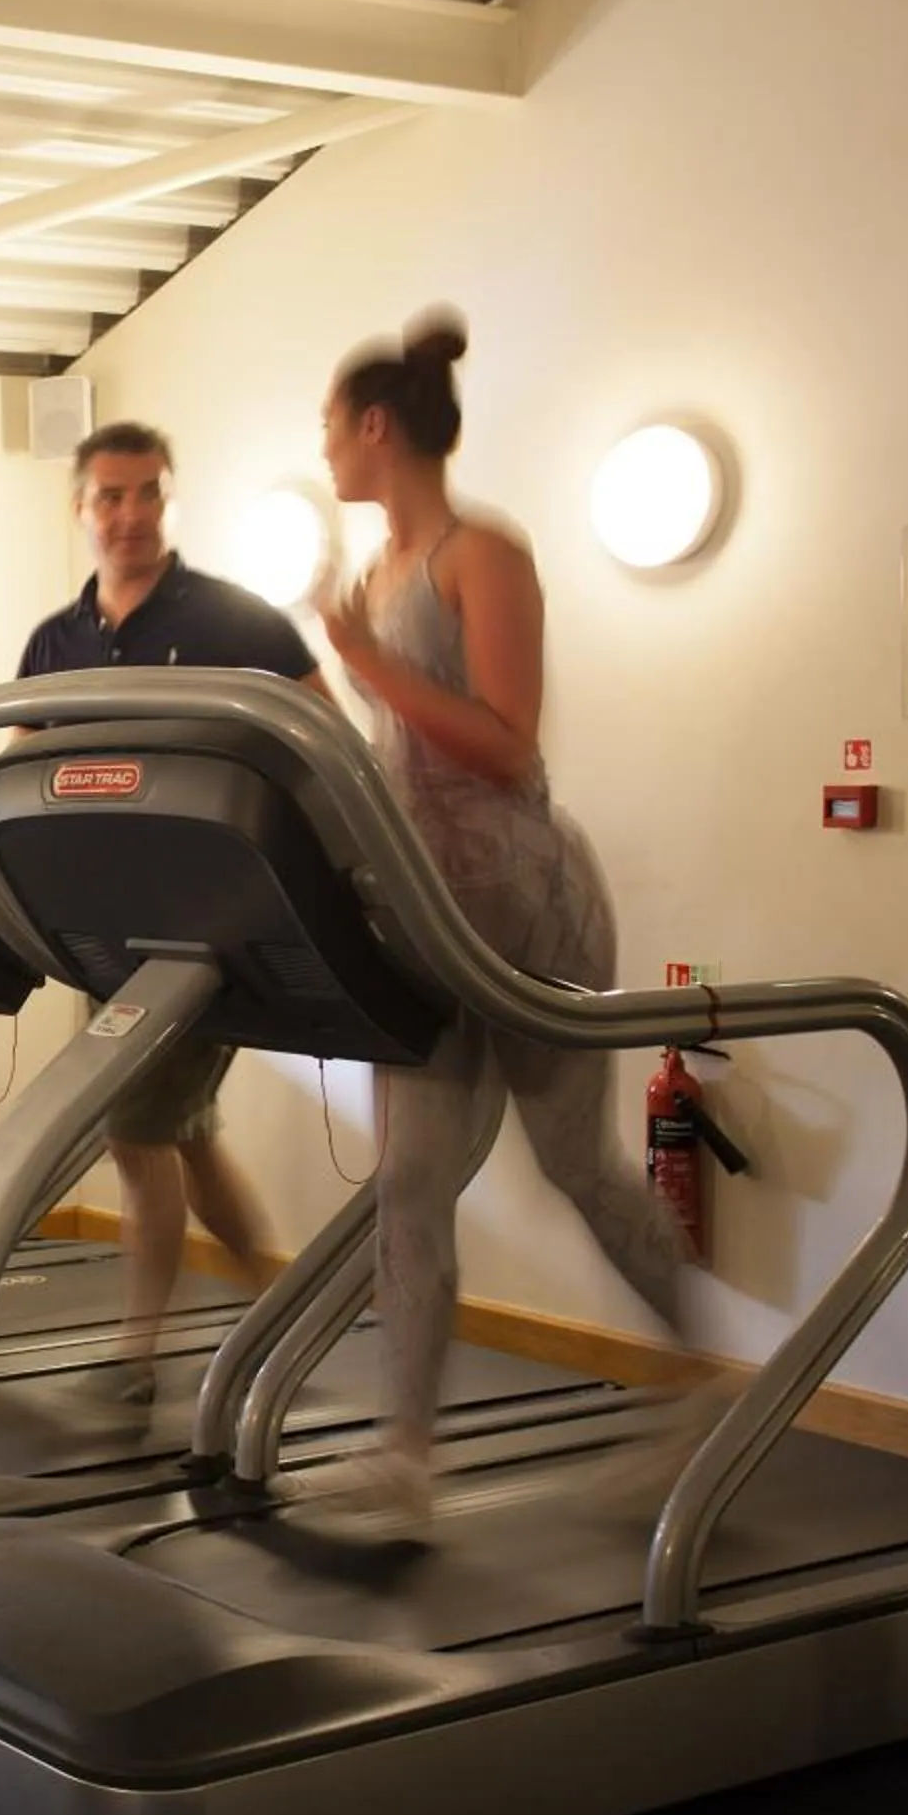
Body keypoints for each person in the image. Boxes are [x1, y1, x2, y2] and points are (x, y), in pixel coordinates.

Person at [310, 314, 701, 1537]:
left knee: (577, 1161)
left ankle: (700, 1377)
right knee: (410, 1183)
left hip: (528, 901)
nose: (325, 449)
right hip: (428, 908)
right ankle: (405, 1461)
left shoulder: (483, 554)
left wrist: (367, 662)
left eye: (332, 428)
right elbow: (397, 748)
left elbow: (506, 741)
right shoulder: (376, 575)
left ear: (378, 427)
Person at [17, 423, 324, 1419]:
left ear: (170, 500)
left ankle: (136, 1355)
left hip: (207, 924)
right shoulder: (56, 641)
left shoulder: (236, 619)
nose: (132, 513)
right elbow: (16, 765)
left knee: (135, 1133)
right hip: (106, 931)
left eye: (149, 492)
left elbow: (324, 737)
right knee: (182, 1136)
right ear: (80, 509)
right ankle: (281, 1311)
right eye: (111, 496)